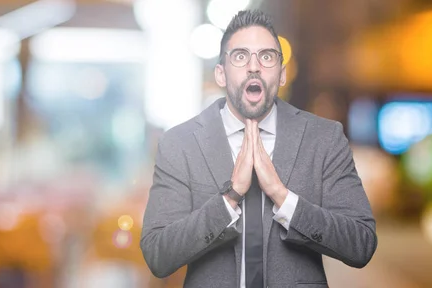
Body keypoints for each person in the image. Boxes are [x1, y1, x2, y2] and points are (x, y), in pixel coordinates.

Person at [140, 9, 377, 288]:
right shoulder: (180, 143)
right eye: (240, 56)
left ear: (282, 74)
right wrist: (229, 198)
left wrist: (282, 196)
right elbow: (158, 254)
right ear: (221, 74)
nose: (254, 67)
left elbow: (361, 243)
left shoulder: (324, 138)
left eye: (266, 57)